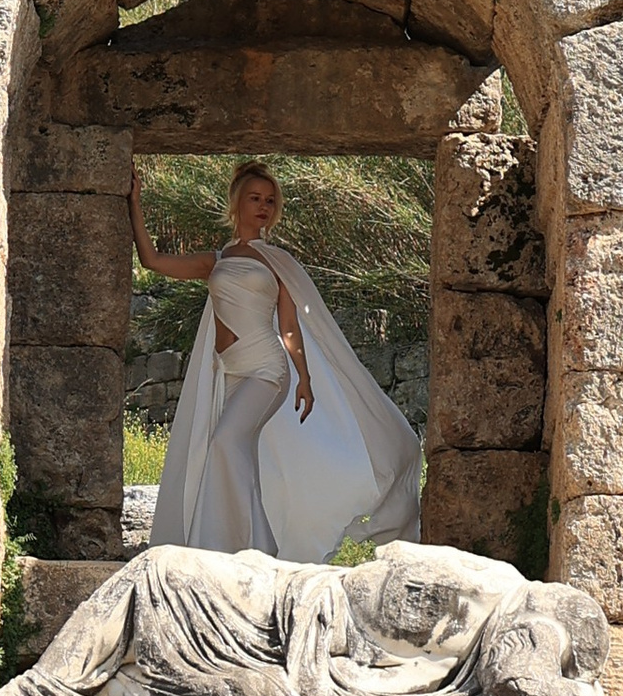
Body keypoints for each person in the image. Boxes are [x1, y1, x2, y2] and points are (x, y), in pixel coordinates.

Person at [128, 159, 422, 564]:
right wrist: (134, 202)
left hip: (269, 368)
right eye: (254, 198)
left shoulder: (276, 261)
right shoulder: (215, 260)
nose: (263, 207)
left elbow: (289, 327)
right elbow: (152, 261)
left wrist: (303, 377)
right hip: (230, 372)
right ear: (236, 204)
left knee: (226, 441)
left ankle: (255, 549)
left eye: (269, 200)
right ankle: (243, 549)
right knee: (232, 452)